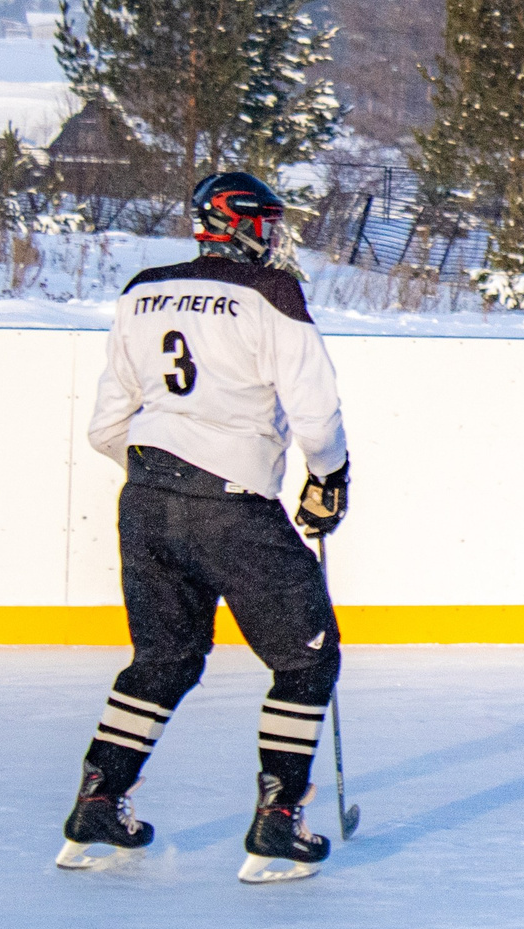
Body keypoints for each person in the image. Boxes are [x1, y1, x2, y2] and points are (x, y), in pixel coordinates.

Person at [55, 171, 353, 885]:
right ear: (240, 224)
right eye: (267, 223)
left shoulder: (141, 291)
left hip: (145, 498)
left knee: (163, 658)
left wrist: (162, 470)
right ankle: (278, 820)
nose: (274, 237)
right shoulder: (272, 293)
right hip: (231, 504)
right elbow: (316, 416)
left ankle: (98, 803)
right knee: (307, 660)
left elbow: (105, 426)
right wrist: (328, 479)